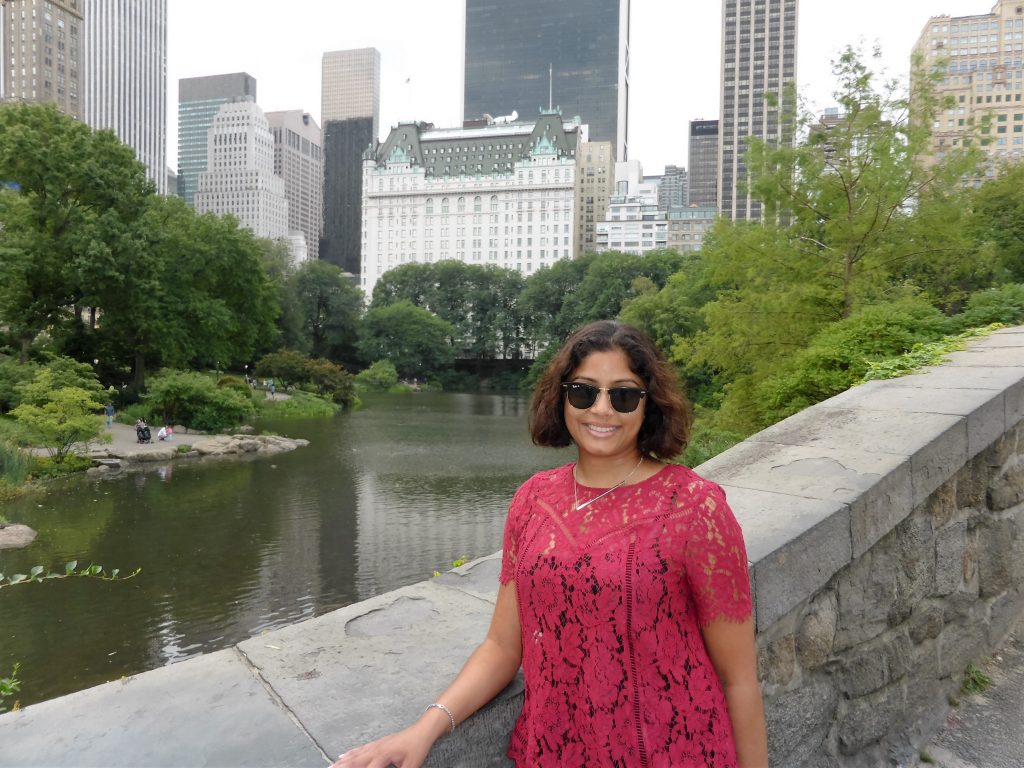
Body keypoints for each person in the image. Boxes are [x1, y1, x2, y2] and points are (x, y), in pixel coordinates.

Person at [335, 321, 768, 768]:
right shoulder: (534, 499)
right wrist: (423, 730)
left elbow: (739, 679)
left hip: (673, 753)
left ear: (648, 406)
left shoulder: (694, 506)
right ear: (562, 397)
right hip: (556, 753)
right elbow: (503, 647)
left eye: (623, 395)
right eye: (584, 391)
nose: (601, 409)